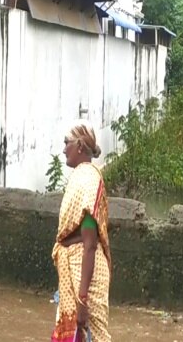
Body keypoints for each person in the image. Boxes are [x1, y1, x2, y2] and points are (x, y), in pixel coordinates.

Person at [51, 121, 112, 342]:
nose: (63, 149)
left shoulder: (88, 180)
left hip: (88, 272)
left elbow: (89, 244)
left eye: (66, 143)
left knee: (96, 335)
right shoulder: (79, 177)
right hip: (76, 266)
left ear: (78, 146)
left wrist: (83, 298)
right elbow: (78, 233)